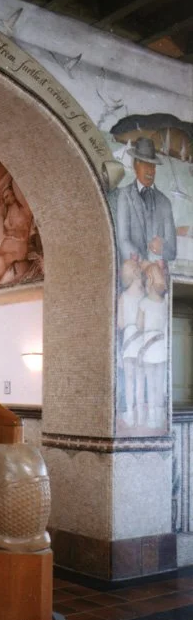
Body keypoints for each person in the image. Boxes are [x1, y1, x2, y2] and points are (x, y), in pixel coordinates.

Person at [115, 137, 176, 265]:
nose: (150, 171)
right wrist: (143, 264)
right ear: (135, 165)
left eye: (152, 165)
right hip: (134, 271)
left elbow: (172, 251)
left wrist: (162, 248)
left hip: (159, 273)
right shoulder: (124, 196)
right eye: (145, 164)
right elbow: (123, 241)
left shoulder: (165, 203)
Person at [137, 261, 168, 429]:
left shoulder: (144, 303)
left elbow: (139, 325)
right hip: (161, 347)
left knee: (150, 383)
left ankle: (152, 418)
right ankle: (160, 416)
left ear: (148, 279)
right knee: (160, 383)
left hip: (149, 347)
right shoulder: (164, 303)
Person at [117, 257, 145, 428]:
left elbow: (120, 323)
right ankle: (140, 414)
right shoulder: (144, 297)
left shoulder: (123, 297)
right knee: (140, 379)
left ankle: (129, 413)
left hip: (128, 340)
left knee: (129, 380)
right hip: (141, 341)